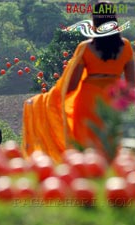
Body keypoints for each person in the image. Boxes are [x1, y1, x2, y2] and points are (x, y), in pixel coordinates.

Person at [22, 1, 135, 162]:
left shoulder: (85, 47)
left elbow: (72, 84)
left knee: (84, 149)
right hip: (112, 102)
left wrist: (52, 97)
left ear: (94, 21)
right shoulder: (126, 47)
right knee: (109, 148)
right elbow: (131, 84)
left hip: (87, 101)